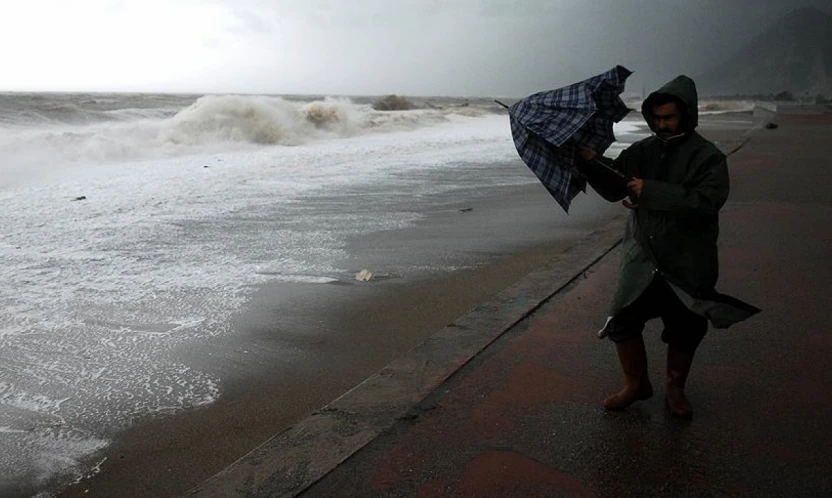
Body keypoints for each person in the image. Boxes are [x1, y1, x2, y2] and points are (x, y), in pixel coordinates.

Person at [577, 75, 729, 419]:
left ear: (687, 115)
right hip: (642, 256)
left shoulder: (709, 157)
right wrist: (589, 161)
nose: (662, 124)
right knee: (622, 320)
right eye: (657, 118)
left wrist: (652, 191)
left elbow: (707, 201)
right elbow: (617, 187)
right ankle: (636, 384)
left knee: (686, 327)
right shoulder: (642, 150)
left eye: (669, 118)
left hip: (687, 259)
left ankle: (675, 388)